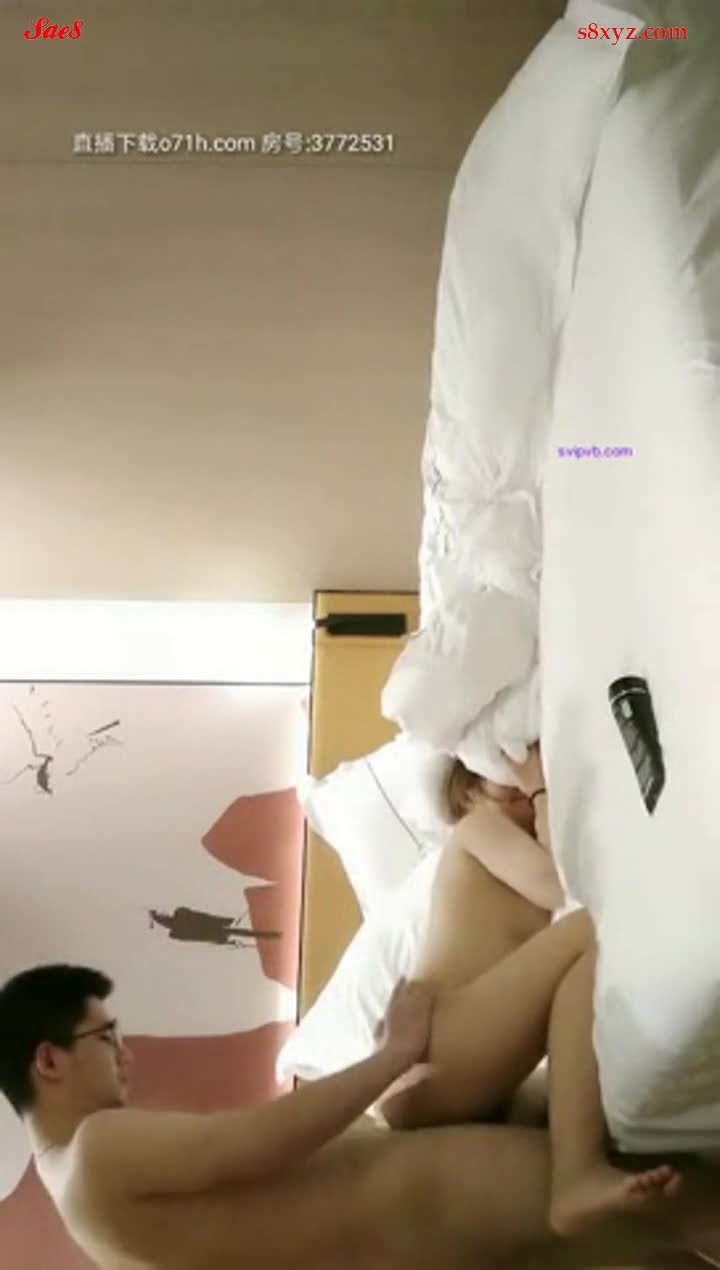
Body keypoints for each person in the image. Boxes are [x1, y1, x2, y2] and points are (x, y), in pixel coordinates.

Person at [0, 963, 717, 1270]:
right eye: (106, 1037)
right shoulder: (93, 1153)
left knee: (664, 1239)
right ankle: (579, 1174)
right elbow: (256, 1140)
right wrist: (392, 1056)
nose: (124, 1055)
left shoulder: (87, 1220)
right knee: (690, 1208)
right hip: (434, 1198)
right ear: (49, 1061)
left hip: (423, 1236)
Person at [381, 746, 683, 1237]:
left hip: (456, 1073)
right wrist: (538, 787)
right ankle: (576, 1177)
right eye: (507, 779)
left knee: (587, 976)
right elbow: (557, 883)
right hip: (431, 1047)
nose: (523, 788)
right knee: (597, 924)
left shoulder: (509, 840)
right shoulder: (476, 828)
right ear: (471, 791)